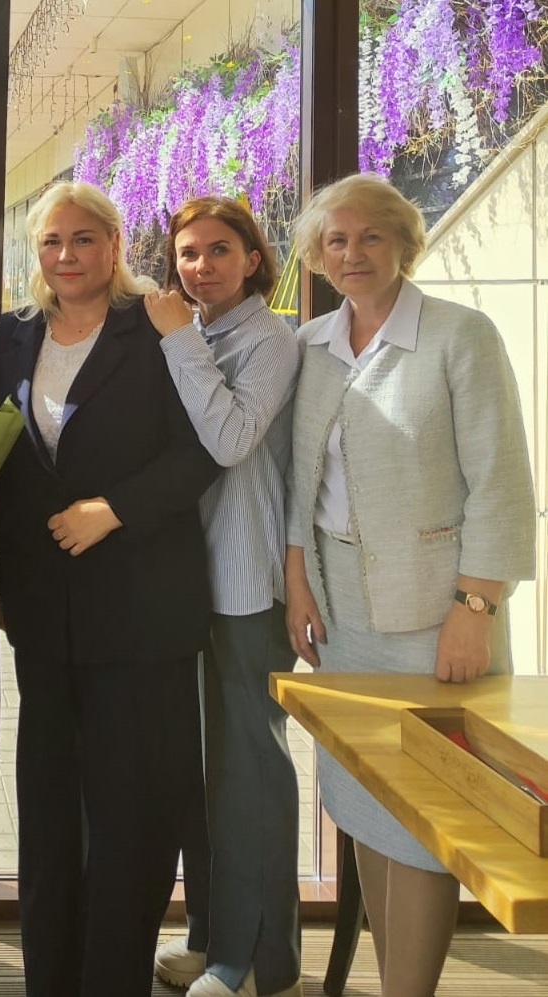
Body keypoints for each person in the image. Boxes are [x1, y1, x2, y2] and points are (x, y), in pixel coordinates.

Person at [285, 173, 535, 997]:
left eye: (370, 236)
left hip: (437, 616)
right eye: (335, 240)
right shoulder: (311, 344)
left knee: (428, 819)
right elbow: (300, 482)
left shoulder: (460, 336)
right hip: (342, 615)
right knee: (365, 801)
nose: (351, 253)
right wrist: (297, 578)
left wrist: (475, 607)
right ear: (316, 254)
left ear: (403, 242)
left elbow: (500, 483)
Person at [0, 180, 219, 997]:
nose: (66, 255)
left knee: (131, 816)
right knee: (48, 813)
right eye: (51, 241)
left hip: (143, 611)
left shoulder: (156, 326)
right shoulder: (9, 336)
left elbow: (205, 451)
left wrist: (113, 509)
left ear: (114, 245)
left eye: (83, 238)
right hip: (42, 615)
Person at [143, 197, 302, 997]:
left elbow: (231, 440)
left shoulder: (270, 338)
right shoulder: (197, 333)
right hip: (186, 579)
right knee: (202, 773)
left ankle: (257, 961)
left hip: (244, 582)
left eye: (217, 250)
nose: (199, 266)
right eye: (187, 252)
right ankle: (212, 937)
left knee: (248, 773)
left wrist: (175, 338)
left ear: (251, 259)